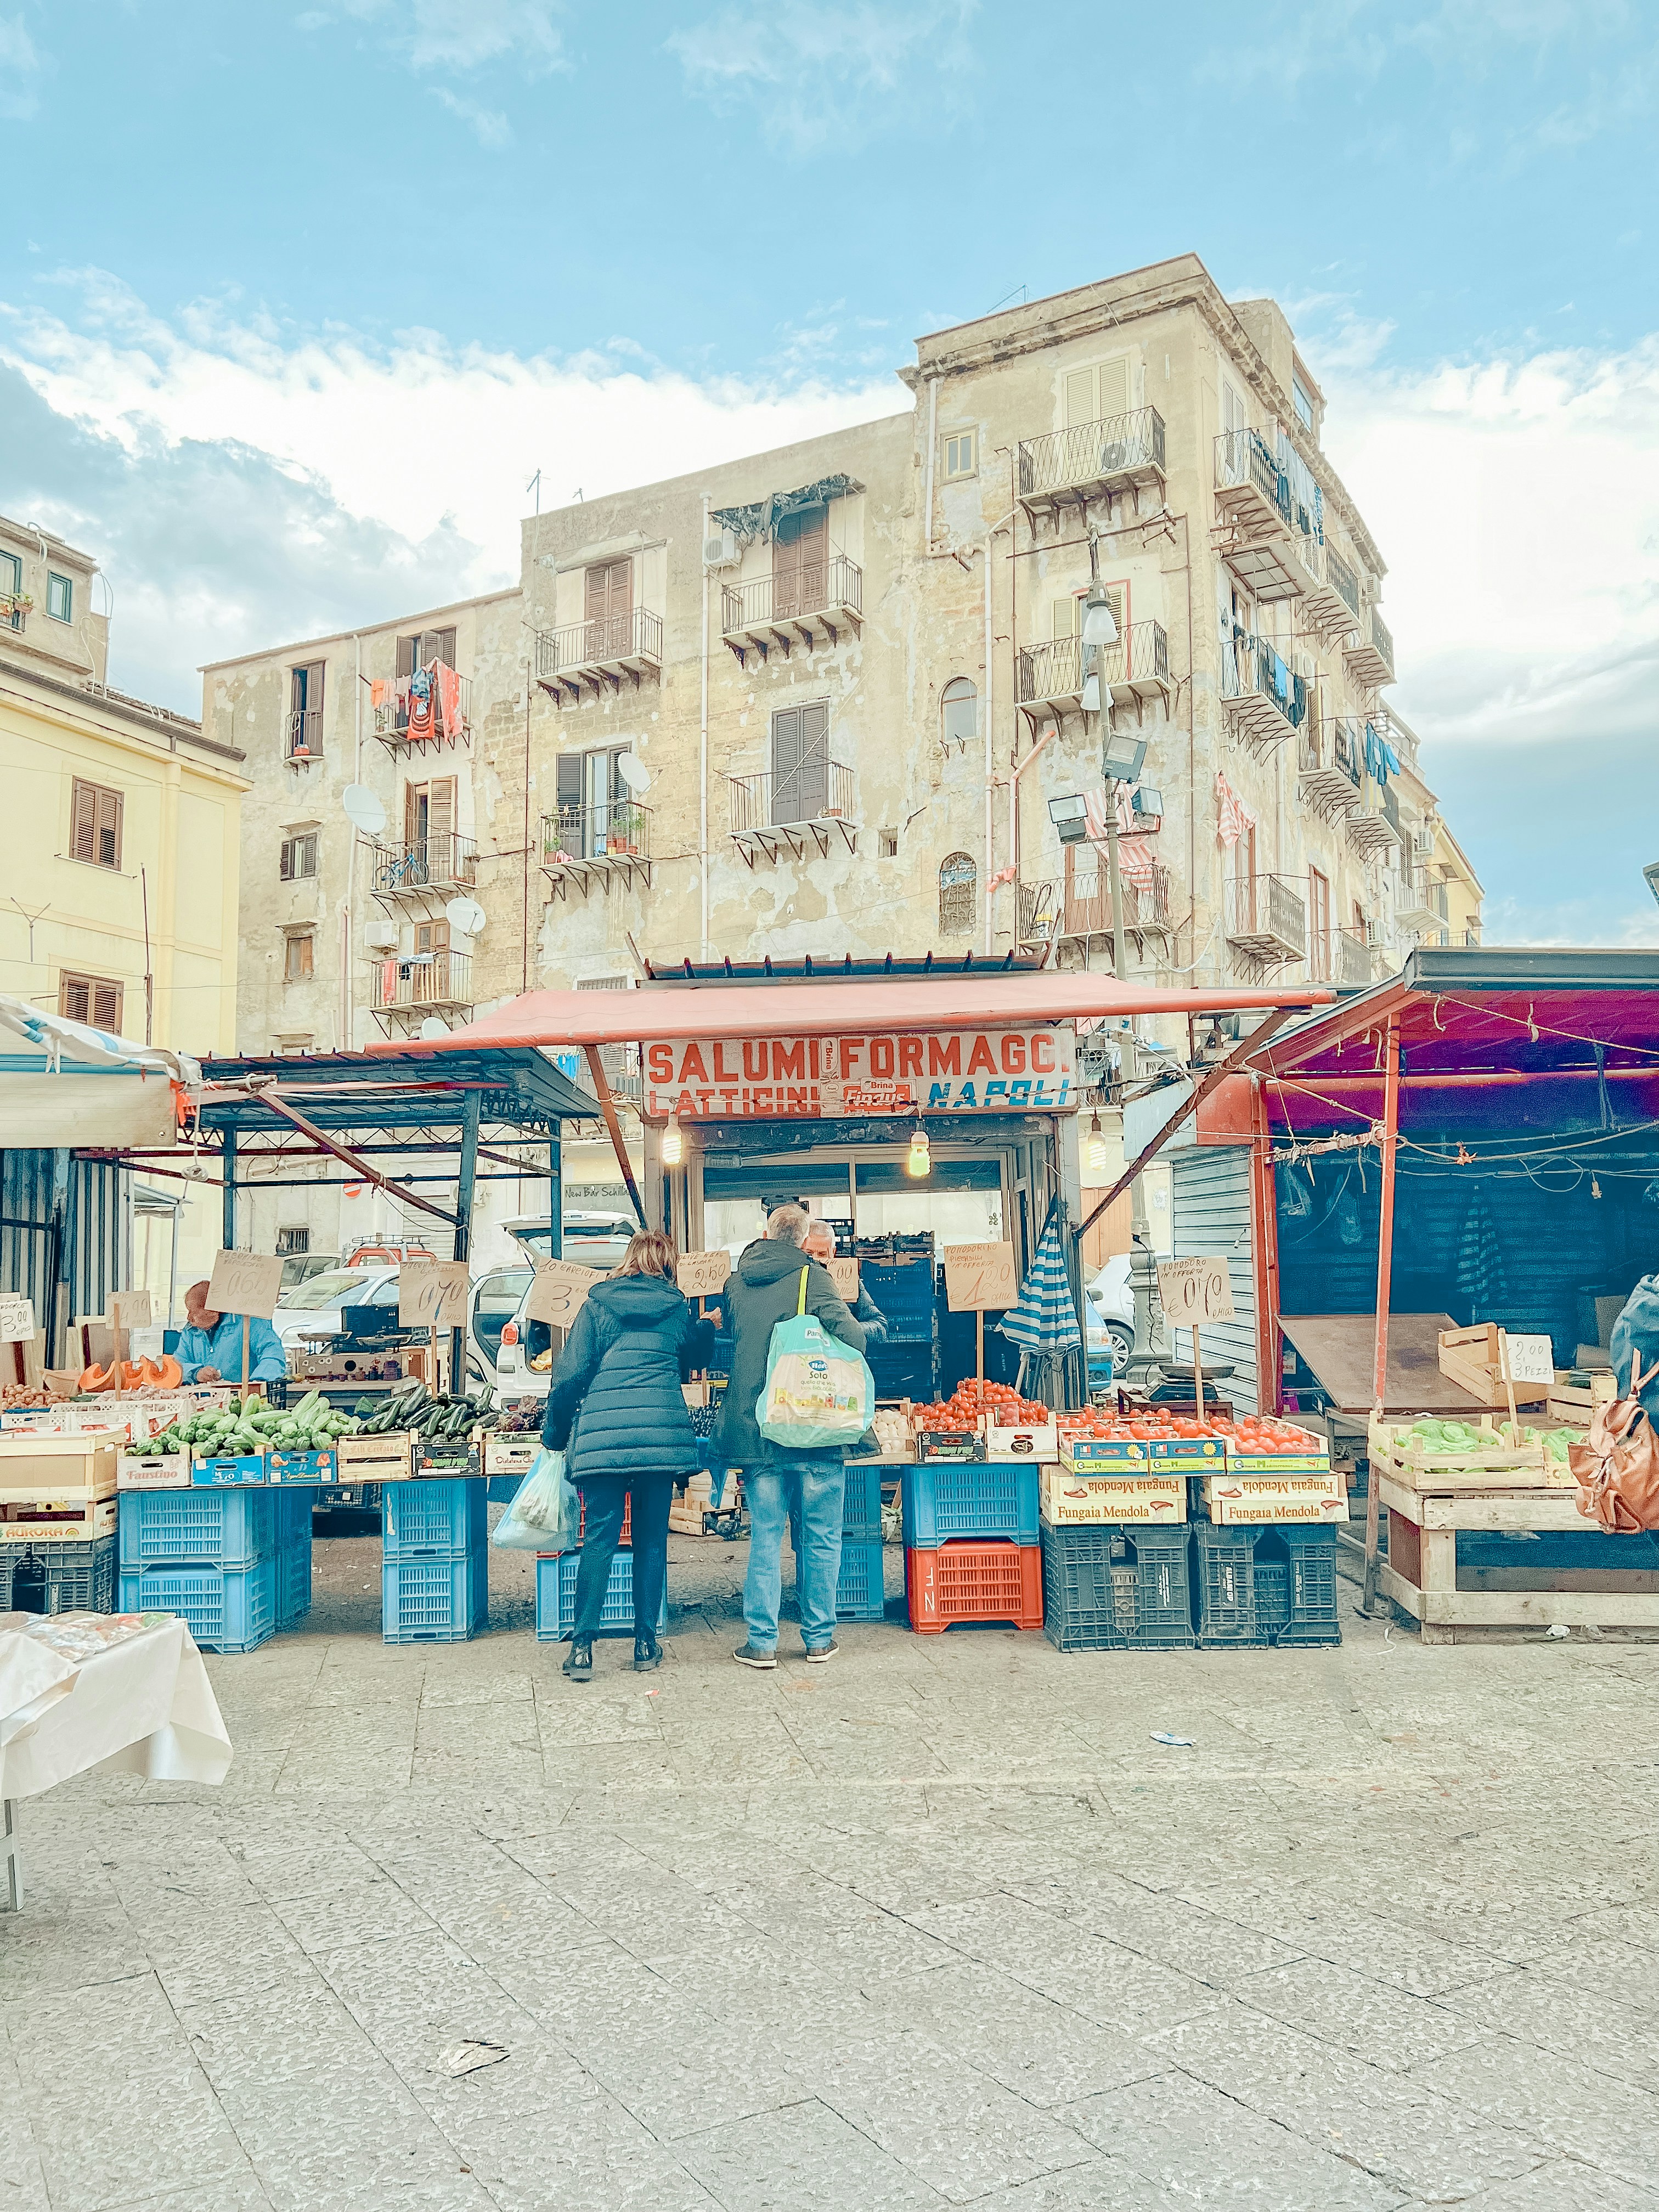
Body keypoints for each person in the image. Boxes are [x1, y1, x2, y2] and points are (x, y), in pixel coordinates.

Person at [541, 1229, 712, 1681]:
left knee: (599, 1539)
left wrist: (555, 1436)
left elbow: (570, 1375)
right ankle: (644, 1642)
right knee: (651, 1539)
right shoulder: (675, 1307)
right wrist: (707, 1328)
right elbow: (692, 1358)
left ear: (628, 1259)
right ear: (667, 1263)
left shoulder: (597, 1305)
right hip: (658, 1438)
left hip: (603, 1438)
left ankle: (582, 1648)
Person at [715, 1204, 866, 1669]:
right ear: (804, 1241)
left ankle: (761, 1642)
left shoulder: (735, 1282)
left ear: (765, 1234)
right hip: (812, 1426)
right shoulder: (813, 1277)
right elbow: (854, 1339)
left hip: (758, 1427)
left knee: (764, 1535)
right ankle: (818, 1639)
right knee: (820, 1536)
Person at [175, 1279, 287, 1386]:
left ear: (211, 1309)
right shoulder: (190, 1332)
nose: (189, 1317)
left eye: (193, 1311)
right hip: (203, 1398)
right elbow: (176, 1367)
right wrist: (196, 1373)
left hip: (242, 1397)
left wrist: (257, 1383)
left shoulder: (250, 1323)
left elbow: (273, 1356)